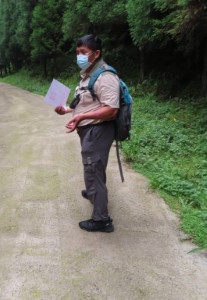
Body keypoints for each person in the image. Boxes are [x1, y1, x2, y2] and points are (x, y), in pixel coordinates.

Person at [54, 34, 119, 233]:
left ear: (96, 53)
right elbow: (84, 102)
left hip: (98, 130)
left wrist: (81, 118)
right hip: (89, 129)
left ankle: (102, 220)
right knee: (93, 168)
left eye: (83, 52)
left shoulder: (105, 75)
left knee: (93, 169)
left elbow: (111, 109)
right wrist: (66, 110)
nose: (79, 56)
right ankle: (93, 193)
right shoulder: (88, 74)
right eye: (77, 53)